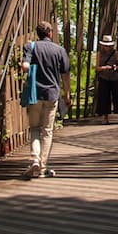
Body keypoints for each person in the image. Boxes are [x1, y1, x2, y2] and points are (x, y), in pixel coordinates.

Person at [20, 20, 71, 178]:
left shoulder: (31, 47)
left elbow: (24, 66)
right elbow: (65, 74)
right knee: (47, 131)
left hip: (35, 94)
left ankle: (34, 158)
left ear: (38, 34)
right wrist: (67, 94)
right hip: (51, 94)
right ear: (50, 33)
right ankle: (42, 167)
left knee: (34, 128)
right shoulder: (59, 50)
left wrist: (30, 68)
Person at [96, 34, 118, 124]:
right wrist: (105, 68)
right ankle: (105, 117)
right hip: (104, 77)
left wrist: (115, 67)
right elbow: (97, 67)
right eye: (105, 46)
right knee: (104, 97)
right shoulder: (99, 54)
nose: (107, 47)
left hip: (114, 77)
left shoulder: (115, 53)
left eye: (108, 46)